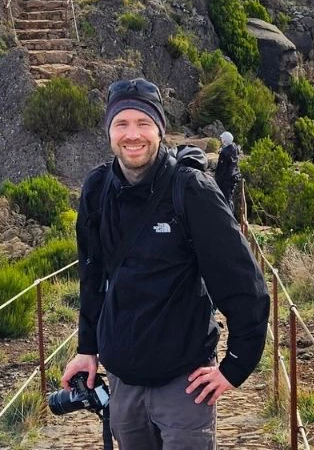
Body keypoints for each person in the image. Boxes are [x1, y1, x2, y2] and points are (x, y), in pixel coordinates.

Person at [63, 78, 269, 450]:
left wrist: (235, 367)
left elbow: (243, 283)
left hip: (184, 384)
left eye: (143, 123)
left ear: (159, 128)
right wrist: (86, 348)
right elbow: (92, 277)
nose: (132, 135)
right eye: (121, 124)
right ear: (109, 130)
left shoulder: (190, 190)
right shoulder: (96, 190)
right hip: (124, 383)